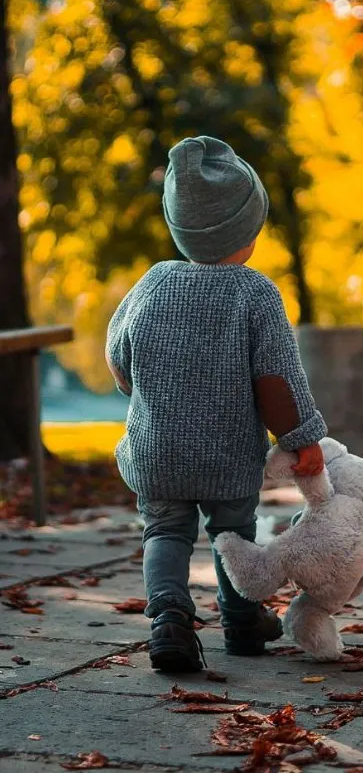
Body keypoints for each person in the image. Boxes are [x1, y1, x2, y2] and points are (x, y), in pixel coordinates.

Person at [105, 135, 327, 672]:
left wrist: (147, 392)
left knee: (164, 532)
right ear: (249, 232)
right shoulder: (255, 293)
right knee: (233, 535)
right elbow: (276, 380)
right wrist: (302, 438)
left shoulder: (152, 282)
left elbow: (118, 355)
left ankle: (169, 620)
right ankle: (241, 622)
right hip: (227, 454)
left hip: (158, 448)